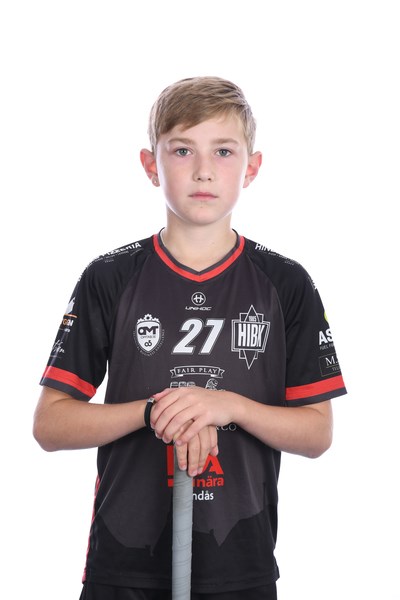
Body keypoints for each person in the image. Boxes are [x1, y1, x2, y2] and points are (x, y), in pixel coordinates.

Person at [33, 76, 346, 600]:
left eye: (223, 151)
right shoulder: (109, 278)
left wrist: (228, 406)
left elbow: (317, 435)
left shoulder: (286, 283)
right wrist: (157, 412)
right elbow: (50, 425)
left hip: (240, 563)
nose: (203, 170)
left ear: (251, 167)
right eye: (182, 150)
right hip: (124, 566)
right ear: (151, 165)